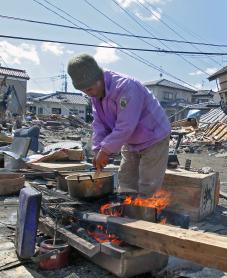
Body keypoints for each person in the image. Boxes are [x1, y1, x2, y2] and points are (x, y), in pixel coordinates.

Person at [67, 54, 171, 198]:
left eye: (89, 89)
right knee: (126, 179)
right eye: (84, 91)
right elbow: (99, 125)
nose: (88, 94)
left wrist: (106, 150)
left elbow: (126, 125)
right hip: (130, 140)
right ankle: (125, 213)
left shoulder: (126, 87)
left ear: (100, 78)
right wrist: (98, 149)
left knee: (148, 184)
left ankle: (145, 216)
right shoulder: (95, 96)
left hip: (154, 136)